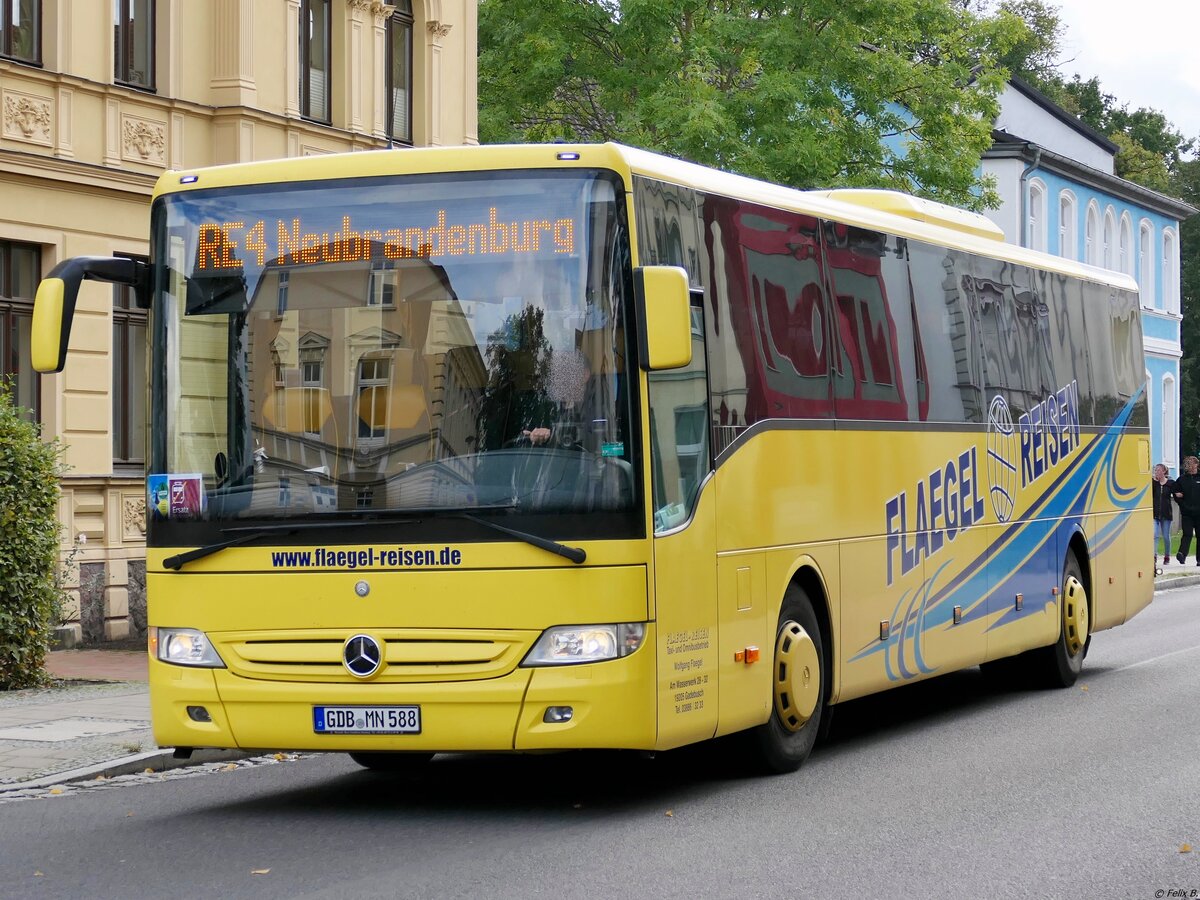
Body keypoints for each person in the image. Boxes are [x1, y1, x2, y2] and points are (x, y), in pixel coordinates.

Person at [1173, 456, 1200, 565]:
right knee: (1187, 534)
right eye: (1188, 464)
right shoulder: (1182, 479)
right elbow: (1175, 492)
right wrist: (1182, 504)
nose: (1191, 466)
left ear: (1197, 465)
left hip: (1199, 513)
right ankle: (1182, 554)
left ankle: (1199, 559)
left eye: (1193, 463)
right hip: (1187, 512)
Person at [1152, 463, 1175, 565]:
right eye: (1155, 470)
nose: (1156, 472)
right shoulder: (1154, 483)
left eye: (1158, 470)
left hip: (1166, 514)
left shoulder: (1170, 483)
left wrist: (1178, 494)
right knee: (1155, 535)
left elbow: (1176, 491)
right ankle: (1154, 556)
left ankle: (1167, 556)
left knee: (1166, 536)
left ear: (1164, 471)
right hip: (1155, 514)